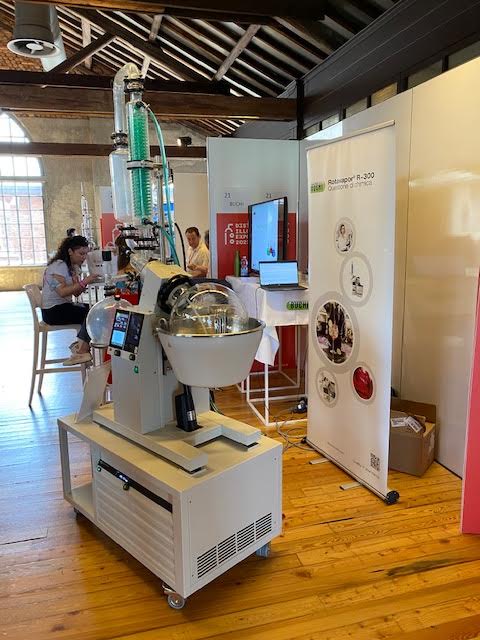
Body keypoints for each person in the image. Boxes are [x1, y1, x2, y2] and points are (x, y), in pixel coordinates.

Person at [41, 235, 98, 365]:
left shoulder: (72, 267)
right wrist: (84, 281)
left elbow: (76, 293)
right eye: (81, 254)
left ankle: (80, 345)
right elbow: (62, 292)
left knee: (94, 309)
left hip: (62, 306)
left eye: (86, 254)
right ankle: (82, 351)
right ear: (70, 251)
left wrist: (84, 283)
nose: (84, 257)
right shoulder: (59, 266)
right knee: (92, 314)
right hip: (52, 312)